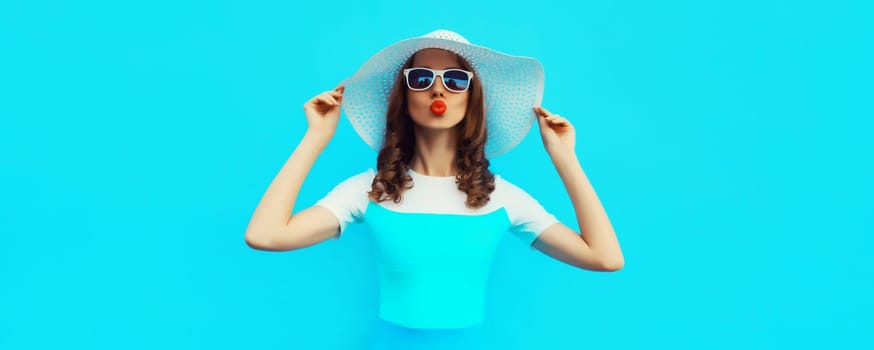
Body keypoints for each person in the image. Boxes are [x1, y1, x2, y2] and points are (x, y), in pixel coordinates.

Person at [245, 29, 624, 349]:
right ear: (405, 97)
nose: (438, 90)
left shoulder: (500, 197)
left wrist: (564, 157)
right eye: (422, 78)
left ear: (470, 98)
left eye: (456, 80)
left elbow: (605, 258)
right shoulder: (370, 190)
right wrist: (315, 138)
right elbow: (265, 235)